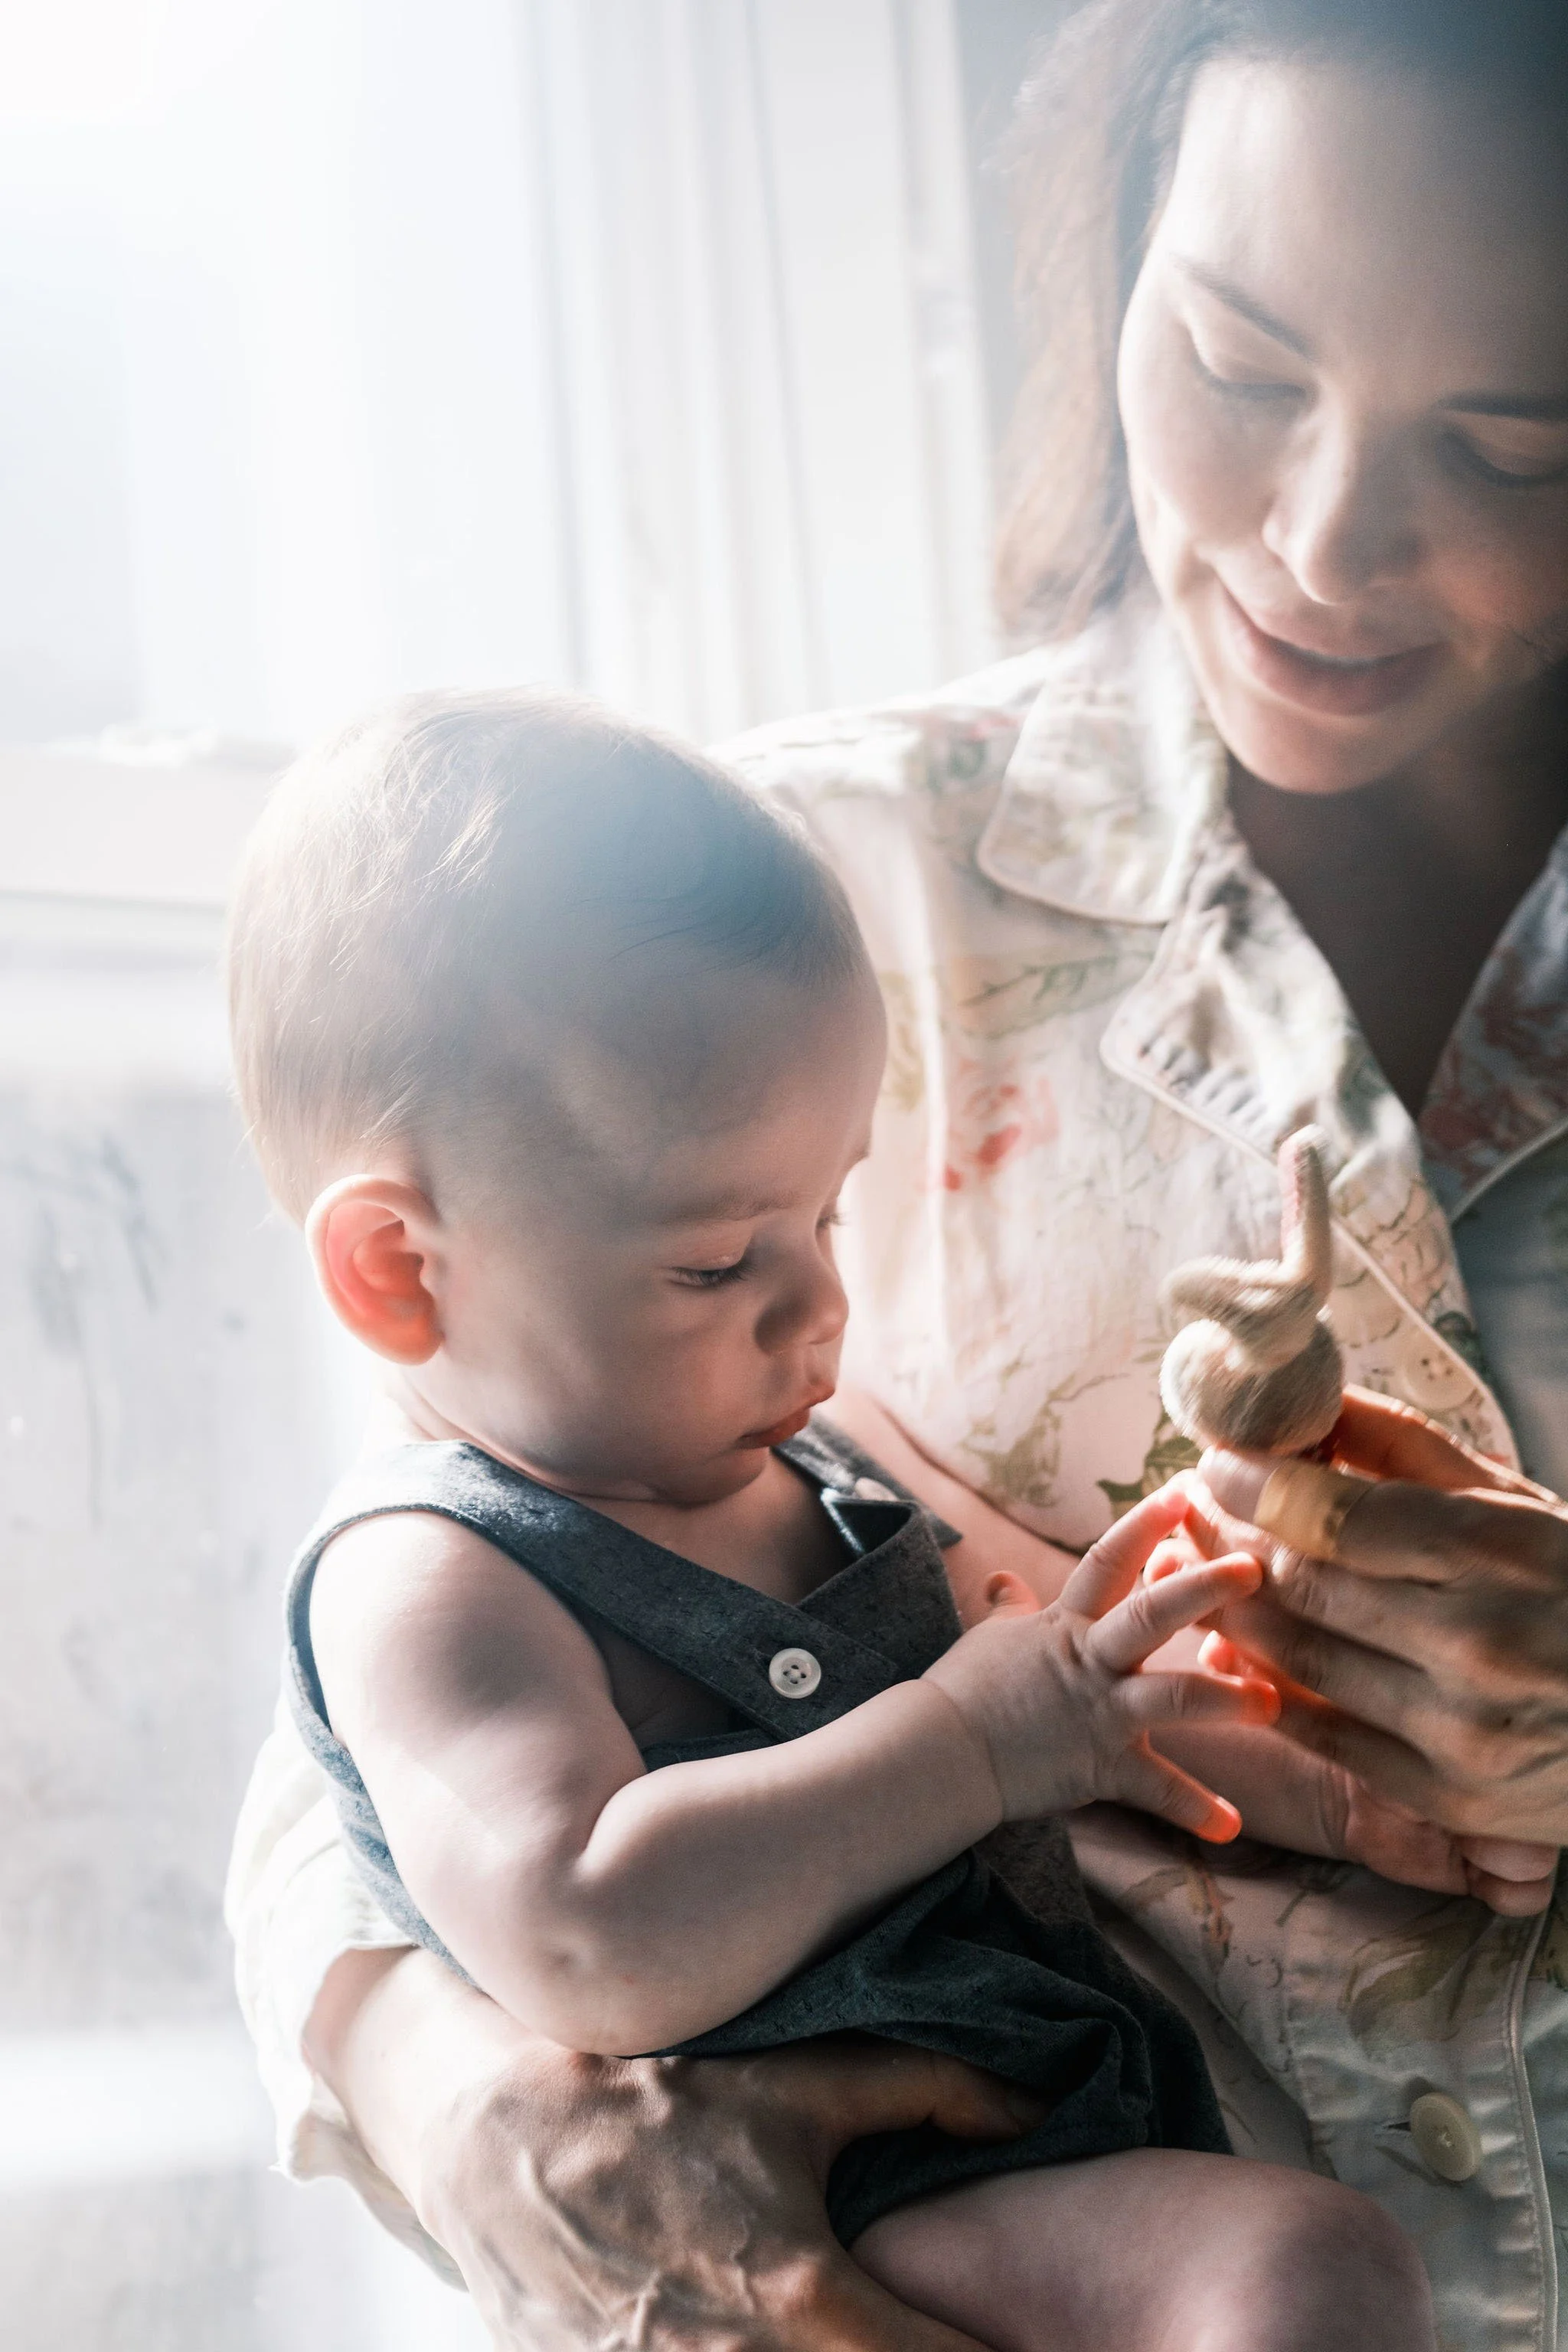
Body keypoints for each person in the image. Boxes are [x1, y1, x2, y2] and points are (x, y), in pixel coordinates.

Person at [224, 0, 1568, 2343]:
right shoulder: (758, 919)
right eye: (1241, 365)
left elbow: (1083, 1669)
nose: (1326, 541)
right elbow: (393, 1708)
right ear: (1116, 256)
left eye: (1514, 438)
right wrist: (457, 2095)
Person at [230, 689, 1431, 2351]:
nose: (820, 1307)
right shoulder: (431, 1577)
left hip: (1024, 2155)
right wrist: (972, 1741)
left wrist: (1330, 1789)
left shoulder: (812, 1472)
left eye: (830, 1210)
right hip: (823, 2206)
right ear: (398, 1270)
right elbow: (586, 1932)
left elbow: (1065, 1686)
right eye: (717, 1262)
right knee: (1301, 2278)